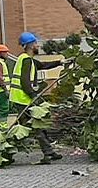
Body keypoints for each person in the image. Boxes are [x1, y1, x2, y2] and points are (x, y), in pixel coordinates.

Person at [10, 32, 62, 163]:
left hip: (23, 98)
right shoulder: (26, 60)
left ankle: (49, 152)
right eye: (35, 43)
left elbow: (43, 65)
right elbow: (24, 81)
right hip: (22, 99)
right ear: (30, 45)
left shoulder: (29, 60)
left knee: (36, 125)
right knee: (32, 126)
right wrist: (33, 96)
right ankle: (4, 149)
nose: (37, 45)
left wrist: (61, 62)